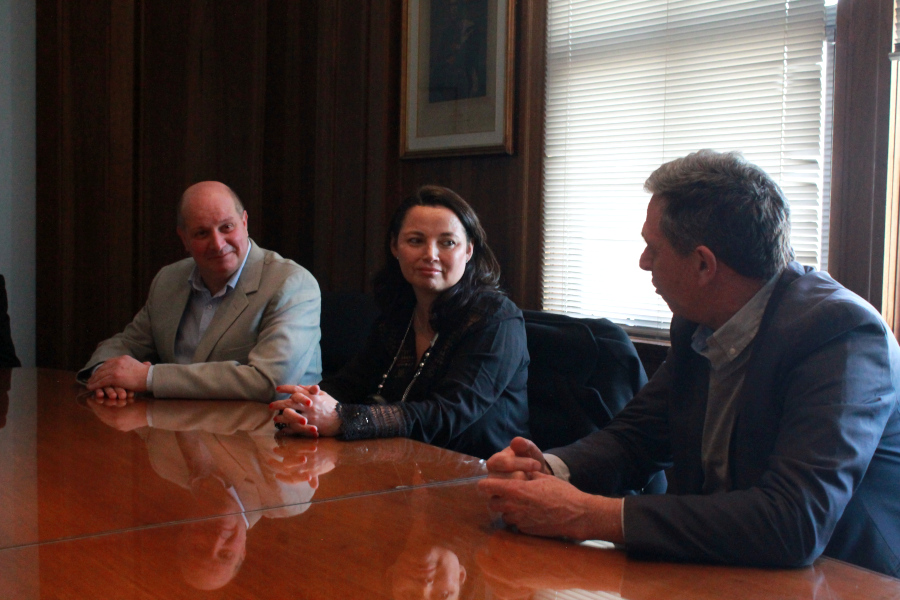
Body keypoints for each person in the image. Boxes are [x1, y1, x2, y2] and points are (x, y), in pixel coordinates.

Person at [479, 150, 900, 577]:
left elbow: (793, 521)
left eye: (652, 248)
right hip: (718, 566)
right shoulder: (697, 320)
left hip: (843, 578)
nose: (644, 262)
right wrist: (548, 469)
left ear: (703, 264)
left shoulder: (841, 334)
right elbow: (637, 436)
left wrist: (590, 515)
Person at [271, 185, 529, 459]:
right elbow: (351, 383)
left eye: (447, 242)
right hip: (402, 466)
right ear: (395, 246)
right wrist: (304, 405)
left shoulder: (496, 319)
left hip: (482, 476)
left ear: (468, 250)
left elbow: (448, 414)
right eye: (416, 241)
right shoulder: (400, 310)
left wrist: (343, 419)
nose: (430, 254)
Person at [79, 181, 321, 403]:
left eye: (226, 227)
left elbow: (271, 382)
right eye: (202, 233)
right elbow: (128, 343)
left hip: (269, 440)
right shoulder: (168, 280)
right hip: (176, 432)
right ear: (183, 238)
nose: (217, 243)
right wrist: (105, 373)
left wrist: (148, 377)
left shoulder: (292, 284)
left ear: (244, 222)